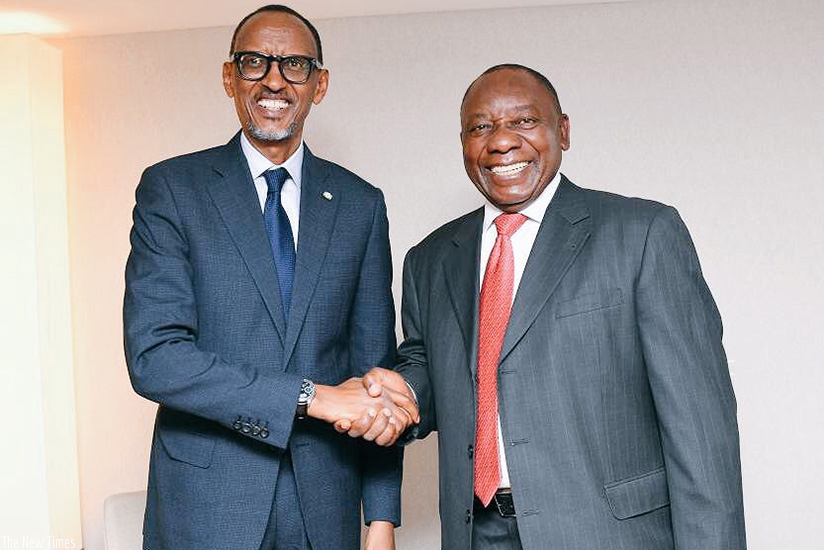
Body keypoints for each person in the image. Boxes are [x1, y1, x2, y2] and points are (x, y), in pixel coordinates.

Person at [348, 64, 747, 549]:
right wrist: (403, 391)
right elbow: (429, 368)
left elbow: (701, 433)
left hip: (605, 534)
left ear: (563, 131)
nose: (501, 142)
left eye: (523, 121)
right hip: (477, 533)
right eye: (480, 127)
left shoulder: (642, 234)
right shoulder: (430, 259)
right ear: (463, 145)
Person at [123, 5, 415, 550]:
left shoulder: (359, 204)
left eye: (295, 65)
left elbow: (376, 370)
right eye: (255, 62)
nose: (274, 80)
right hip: (206, 505)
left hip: (324, 504)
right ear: (229, 77)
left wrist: (381, 517)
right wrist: (312, 397)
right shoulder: (172, 189)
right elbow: (155, 359)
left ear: (319, 84)